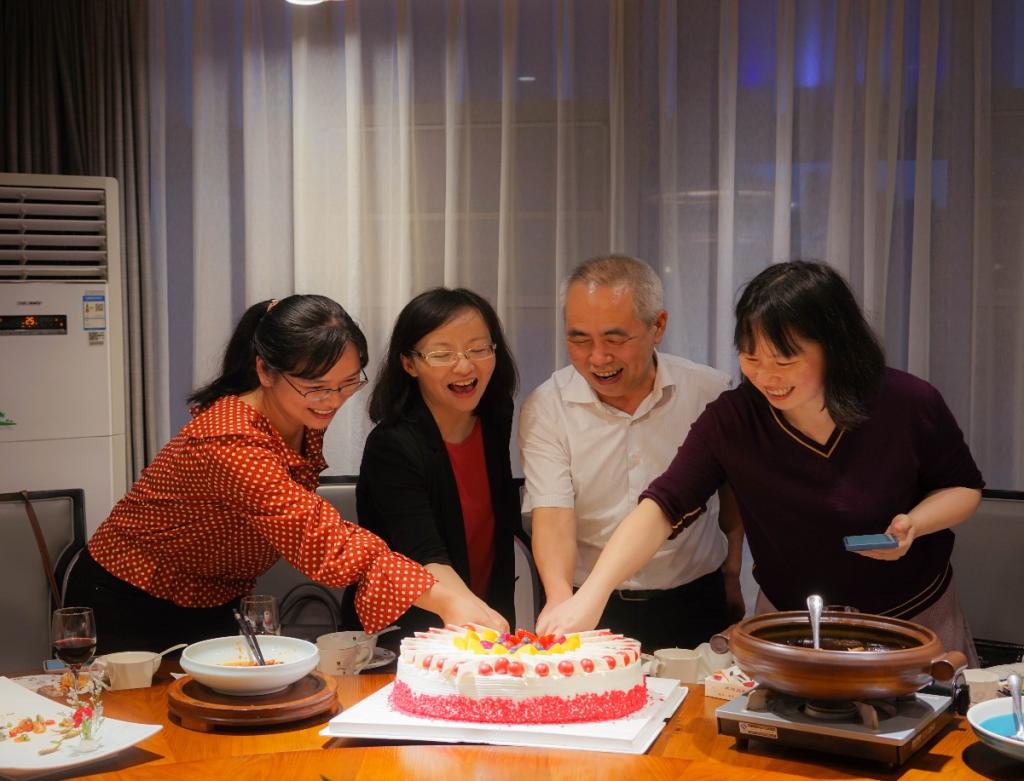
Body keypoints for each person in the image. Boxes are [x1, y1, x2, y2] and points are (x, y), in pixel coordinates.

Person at [537, 260, 984, 664]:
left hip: (911, 623)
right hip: (789, 625)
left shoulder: (906, 402)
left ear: (834, 347)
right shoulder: (734, 419)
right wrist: (592, 595)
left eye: (784, 360)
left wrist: (916, 523)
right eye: (751, 358)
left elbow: (962, 486)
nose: (766, 377)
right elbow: (662, 505)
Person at [66, 294, 497, 653]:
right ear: (264, 371)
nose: (333, 401)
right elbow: (319, 536)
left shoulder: (298, 418)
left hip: (214, 597)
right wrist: (446, 599)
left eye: (348, 383)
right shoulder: (229, 438)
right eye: (316, 387)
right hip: (129, 595)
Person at [518, 255, 744, 652]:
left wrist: (732, 572)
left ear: (658, 326)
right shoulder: (548, 406)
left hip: (694, 598)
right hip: (590, 605)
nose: (598, 357)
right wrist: (559, 598)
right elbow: (552, 513)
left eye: (615, 339)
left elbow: (733, 496)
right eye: (579, 339)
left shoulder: (708, 392)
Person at [343, 288, 519, 639]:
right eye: (442, 354)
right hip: (404, 632)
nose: (465, 366)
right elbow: (425, 556)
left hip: (481, 614)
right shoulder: (391, 445)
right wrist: (477, 618)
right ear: (409, 364)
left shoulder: (495, 415)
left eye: (478, 349)